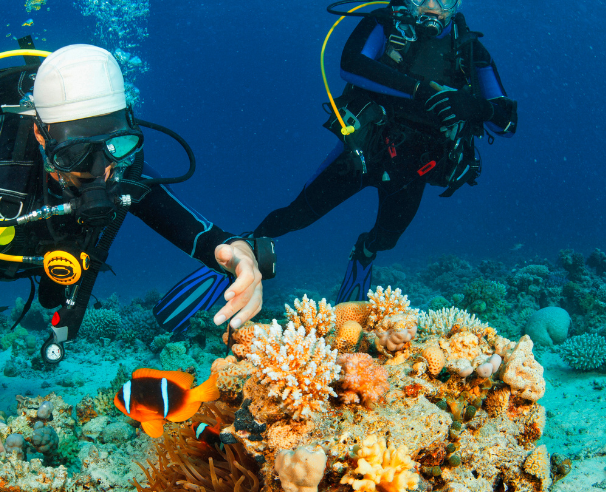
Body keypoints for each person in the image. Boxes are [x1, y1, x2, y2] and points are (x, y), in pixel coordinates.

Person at [0, 44, 272, 452]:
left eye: (115, 145)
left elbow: (202, 235)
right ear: (41, 136)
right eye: (76, 153)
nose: (101, 173)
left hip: (45, 260)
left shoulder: (124, 172)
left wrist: (239, 254)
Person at [154, 0, 516, 329]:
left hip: (415, 170)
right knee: (295, 215)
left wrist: (479, 107)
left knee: (387, 237)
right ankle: (239, 254)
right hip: (364, 153)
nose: (432, 6)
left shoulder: (469, 50)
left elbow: (507, 120)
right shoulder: (384, 24)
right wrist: (420, 90)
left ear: (458, 3)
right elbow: (351, 65)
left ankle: (363, 254)